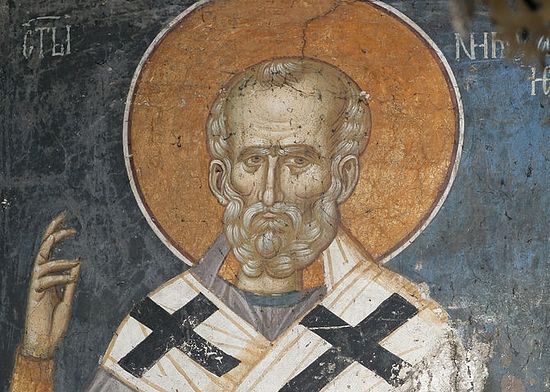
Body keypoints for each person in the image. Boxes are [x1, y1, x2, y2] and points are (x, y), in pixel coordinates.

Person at [11, 58, 467, 392]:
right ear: (222, 178)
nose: (270, 193)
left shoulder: (403, 330)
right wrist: (36, 359)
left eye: (298, 161)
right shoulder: (163, 330)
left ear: (342, 177)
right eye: (252, 160)